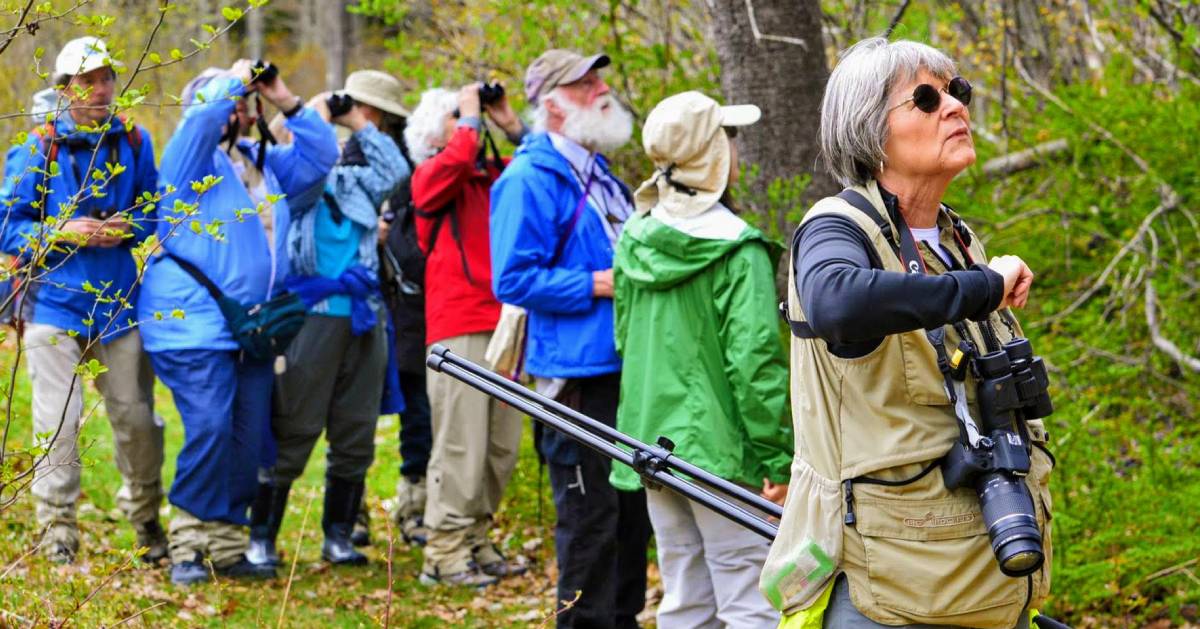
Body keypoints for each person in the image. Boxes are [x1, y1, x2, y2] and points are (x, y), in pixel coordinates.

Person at [765, 38, 1053, 629]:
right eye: (926, 98)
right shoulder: (836, 227)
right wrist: (982, 288)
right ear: (870, 131)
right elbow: (835, 301)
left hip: (982, 577)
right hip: (890, 595)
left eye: (957, 92)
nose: (954, 107)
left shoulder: (955, 239)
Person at [137, 60, 338, 585]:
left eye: (248, 100)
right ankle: (187, 542)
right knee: (209, 426)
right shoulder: (187, 160)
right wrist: (231, 77)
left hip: (253, 326)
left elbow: (322, 158)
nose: (243, 107)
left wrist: (284, 98)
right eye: (237, 101)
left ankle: (225, 546)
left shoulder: (261, 161)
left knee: (247, 436)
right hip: (192, 324)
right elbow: (203, 120)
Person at [612, 91, 792, 628]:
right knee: (749, 597)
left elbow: (625, 338)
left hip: (650, 443)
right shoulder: (738, 250)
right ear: (711, 155)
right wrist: (778, 461)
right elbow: (756, 363)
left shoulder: (634, 238)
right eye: (728, 139)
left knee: (685, 592)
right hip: (722, 453)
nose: (736, 150)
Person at [490, 49, 652, 627]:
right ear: (552, 106)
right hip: (574, 378)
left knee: (631, 512)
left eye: (599, 78)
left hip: (622, 367)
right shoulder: (528, 178)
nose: (601, 89)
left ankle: (624, 618)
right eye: (585, 84)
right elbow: (511, 277)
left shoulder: (599, 171)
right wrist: (594, 283)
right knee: (590, 518)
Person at [0, 36, 165, 564]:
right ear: (65, 88)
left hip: (118, 306)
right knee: (60, 423)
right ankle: (58, 534)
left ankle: (144, 520)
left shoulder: (135, 143)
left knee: (136, 419)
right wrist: (59, 231)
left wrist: (130, 228)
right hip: (53, 306)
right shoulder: (36, 148)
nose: (99, 89)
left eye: (106, 78)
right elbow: (9, 227)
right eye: (87, 80)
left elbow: (153, 210)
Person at [248, 70, 410, 568]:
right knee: (294, 426)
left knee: (356, 427)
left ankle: (338, 534)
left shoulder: (356, 183)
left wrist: (354, 118)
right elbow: (273, 158)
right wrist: (302, 113)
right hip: (310, 318)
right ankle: (262, 536)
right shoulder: (294, 182)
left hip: (362, 315)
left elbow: (396, 170)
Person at [405, 83, 527, 587]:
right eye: (458, 120)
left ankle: (476, 537)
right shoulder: (431, 176)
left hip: (507, 325)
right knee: (461, 446)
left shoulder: (491, 177)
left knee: (501, 448)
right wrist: (470, 118)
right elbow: (455, 160)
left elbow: (544, 170)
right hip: (460, 327)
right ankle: (444, 550)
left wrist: (511, 125)